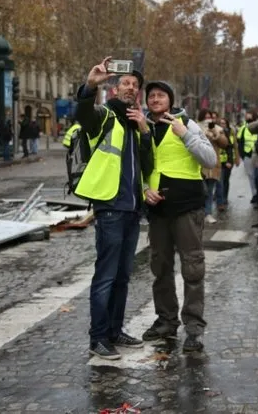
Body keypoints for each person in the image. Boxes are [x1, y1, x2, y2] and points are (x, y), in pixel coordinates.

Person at [75, 57, 154, 360]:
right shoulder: (105, 116)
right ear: (115, 87)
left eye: (135, 85)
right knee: (106, 275)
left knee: (122, 276)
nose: (131, 87)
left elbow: (147, 166)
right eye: (126, 83)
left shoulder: (136, 124)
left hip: (132, 210)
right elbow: (84, 115)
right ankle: (98, 338)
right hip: (110, 206)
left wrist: (145, 131)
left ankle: (114, 330)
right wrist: (90, 84)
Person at [141, 81, 216, 352]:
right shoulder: (142, 127)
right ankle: (166, 321)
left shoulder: (188, 123)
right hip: (158, 210)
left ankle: (194, 328)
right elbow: (139, 167)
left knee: (192, 268)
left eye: (161, 95)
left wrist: (185, 133)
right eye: (151, 96)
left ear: (170, 101)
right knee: (160, 268)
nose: (155, 99)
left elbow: (209, 159)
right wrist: (143, 191)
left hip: (187, 208)